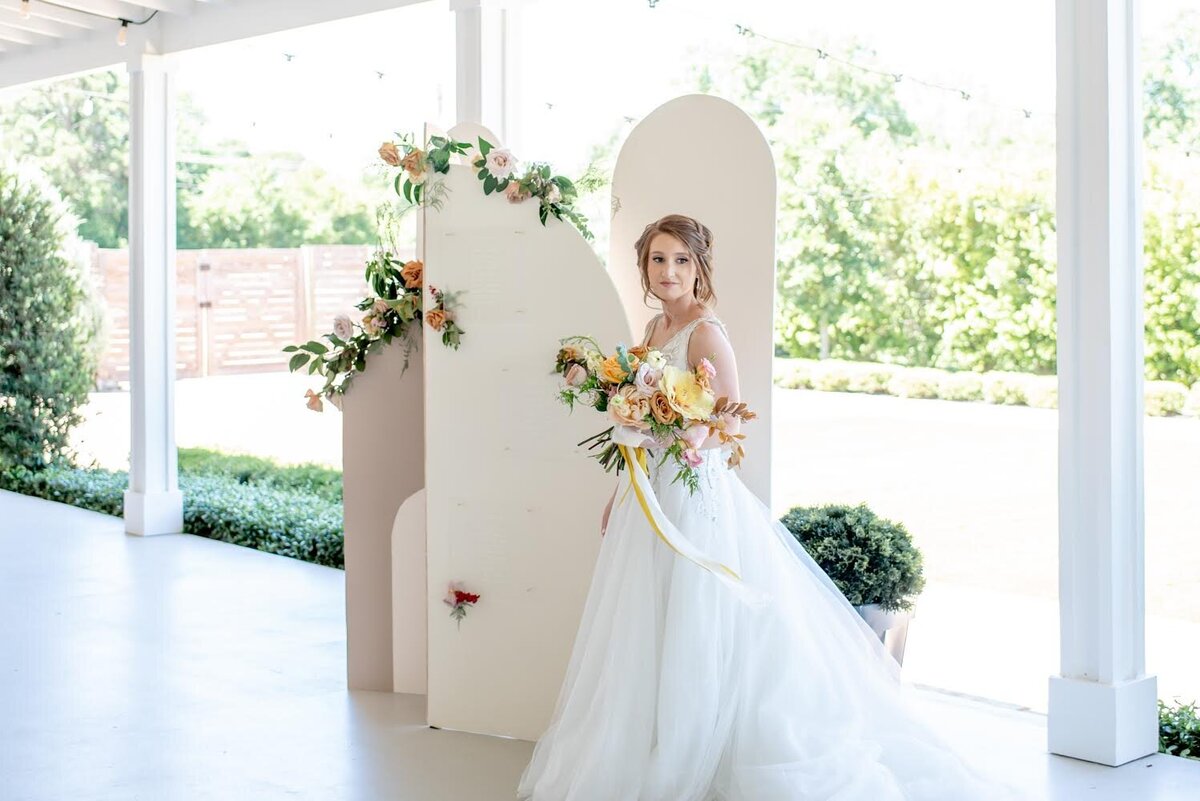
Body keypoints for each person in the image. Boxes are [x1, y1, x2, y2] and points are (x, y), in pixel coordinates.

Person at [517, 214, 1023, 800]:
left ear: (699, 267)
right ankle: (651, 741)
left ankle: (697, 746)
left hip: (692, 492)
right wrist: (620, 490)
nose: (669, 271)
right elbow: (639, 417)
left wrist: (693, 440)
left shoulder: (706, 333)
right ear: (644, 267)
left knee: (696, 617)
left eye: (681, 260)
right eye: (658, 260)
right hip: (649, 489)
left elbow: (731, 413)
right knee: (647, 618)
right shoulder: (654, 329)